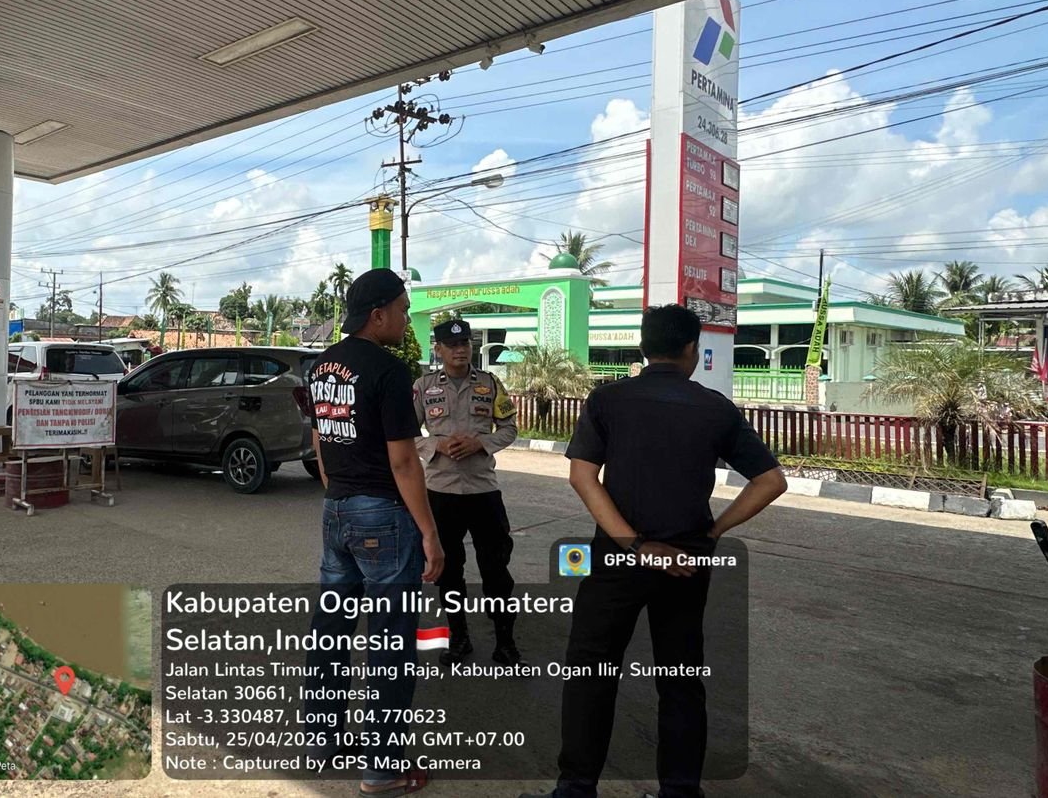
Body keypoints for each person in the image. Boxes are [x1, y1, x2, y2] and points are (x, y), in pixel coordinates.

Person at [522, 305, 787, 798]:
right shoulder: (715, 408)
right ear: (692, 349)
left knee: (590, 671)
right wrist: (713, 532)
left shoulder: (609, 399)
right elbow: (771, 481)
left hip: (617, 559)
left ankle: (576, 790)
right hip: (686, 562)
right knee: (680, 678)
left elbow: (583, 476)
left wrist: (635, 544)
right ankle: (681, 791)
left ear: (644, 347)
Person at [303, 268, 444, 797]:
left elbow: (320, 439)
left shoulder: (321, 366)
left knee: (331, 633)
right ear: (378, 315)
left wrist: (336, 490)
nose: (407, 320)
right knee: (389, 644)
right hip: (383, 516)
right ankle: (382, 769)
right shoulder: (388, 370)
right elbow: (404, 461)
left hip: (336, 511)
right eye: (403, 311)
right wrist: (429, 533)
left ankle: (323, 742)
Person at [414, 318, 521, 665]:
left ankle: (505, 642)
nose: (460, 350)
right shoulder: (423, 387)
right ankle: (458, 638)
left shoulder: (490, 384)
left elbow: (509, 429)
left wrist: (481, 443)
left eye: (465, 344)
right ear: (439, 349)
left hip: (482, 490)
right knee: (448, 569)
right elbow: (406, 434)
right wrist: (436, 445)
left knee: (496, 568)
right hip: (441, 492)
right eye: (452, 345)